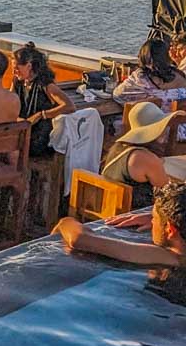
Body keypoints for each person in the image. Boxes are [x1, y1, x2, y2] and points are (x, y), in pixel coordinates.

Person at [54, 180, 186, 269]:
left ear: (170, 229)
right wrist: (164, 218)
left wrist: (65, 221)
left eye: (154, 219)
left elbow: (79, 239)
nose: (152, 222)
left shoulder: (171, 258)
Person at [99, 102, 185, 207]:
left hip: (113, 207)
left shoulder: (118, 148)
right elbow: (169, 195)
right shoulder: (145, 158)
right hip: (136, 214)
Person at [10, 41, 72, 156]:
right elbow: (9, 103)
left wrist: (41, 114)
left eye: (17, 68)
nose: (14, 72)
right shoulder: (17, 82)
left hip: (39, 135)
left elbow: (69, 106)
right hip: (23, 127)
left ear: (29, 66)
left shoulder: (46, 85)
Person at [114, 39, 186, 108]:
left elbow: (118, 95)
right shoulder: (179, 74)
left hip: (153, 119)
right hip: (177, 118)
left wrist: (143, 98)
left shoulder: (141, 76)